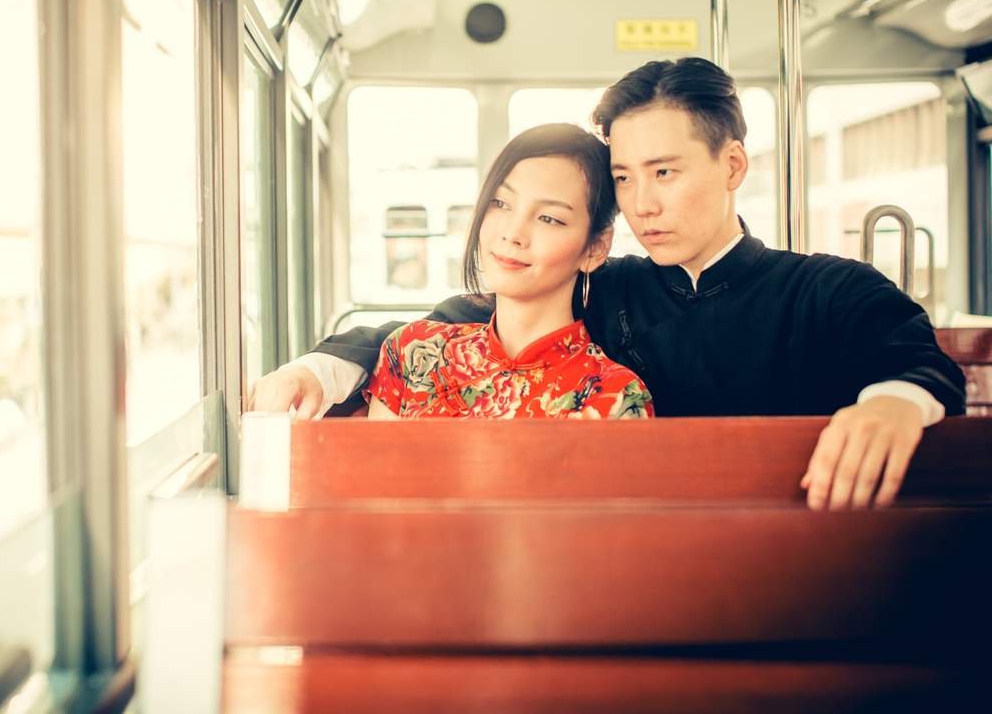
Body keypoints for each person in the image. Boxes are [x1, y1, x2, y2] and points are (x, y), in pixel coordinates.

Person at [248, 57, 965, 511]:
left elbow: (916, 360)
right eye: (623, 178)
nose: (642, 204)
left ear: (732, 165)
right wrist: (320, 368)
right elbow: (444, 326)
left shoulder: (823, 291)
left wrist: (892, 405)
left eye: (664, 172)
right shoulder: (603, 289)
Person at [366, 124, 652, 420]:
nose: (513, 233)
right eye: (500, 203)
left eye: (548, 218)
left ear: (595, 247)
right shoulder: (413, 352)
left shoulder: (614, 398)